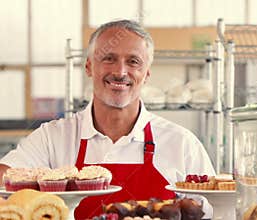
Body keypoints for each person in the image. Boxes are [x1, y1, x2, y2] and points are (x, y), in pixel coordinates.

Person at [0, 19, 216, 219]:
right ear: (88, 67)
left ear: (147, 73)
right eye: (108, 58)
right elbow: (5, 177)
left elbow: (213, 211)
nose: (120, 72)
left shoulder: (182, 143)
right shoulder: (52, 138)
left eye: (133, 62)